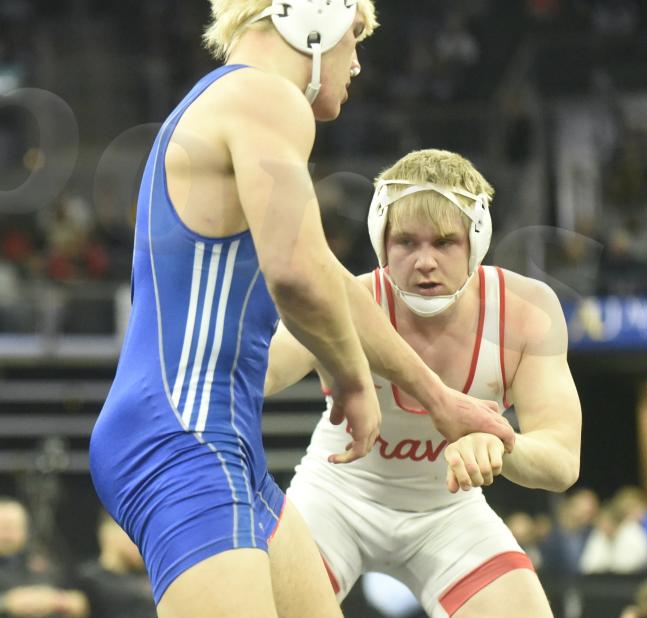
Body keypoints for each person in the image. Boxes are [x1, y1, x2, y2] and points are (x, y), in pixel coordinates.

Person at [88, 4, 514, 618]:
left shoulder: (226, 101)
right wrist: (352, 379)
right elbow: (296, 276)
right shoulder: (267, 98)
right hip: (184, 435)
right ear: (313, 18)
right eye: (355, 36)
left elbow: (330, 280)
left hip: (212, 438)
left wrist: (438, 398)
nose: (358, 62)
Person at [265, 149, 582, 618]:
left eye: (445, 242)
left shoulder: (523, 311)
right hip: (336, 499)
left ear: (477, 240)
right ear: (380, 240)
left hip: (447, 512)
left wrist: (501, 445)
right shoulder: (345, 301)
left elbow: (563, 461)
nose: (425, 262)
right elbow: (261, 374)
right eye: (406, 242)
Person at [0, 498, 88, 618]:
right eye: (2, 527)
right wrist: (6, 603)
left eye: (12, 527)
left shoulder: (46, 562)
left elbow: (79, 603)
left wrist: (56, 601)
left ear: (26, 530)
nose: (6, 535)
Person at [76, 511, 156, 618]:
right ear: (109, 533)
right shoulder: (86, 580)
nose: (142, 542)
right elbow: (73, 603)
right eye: (135, 533)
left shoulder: (150, 579)